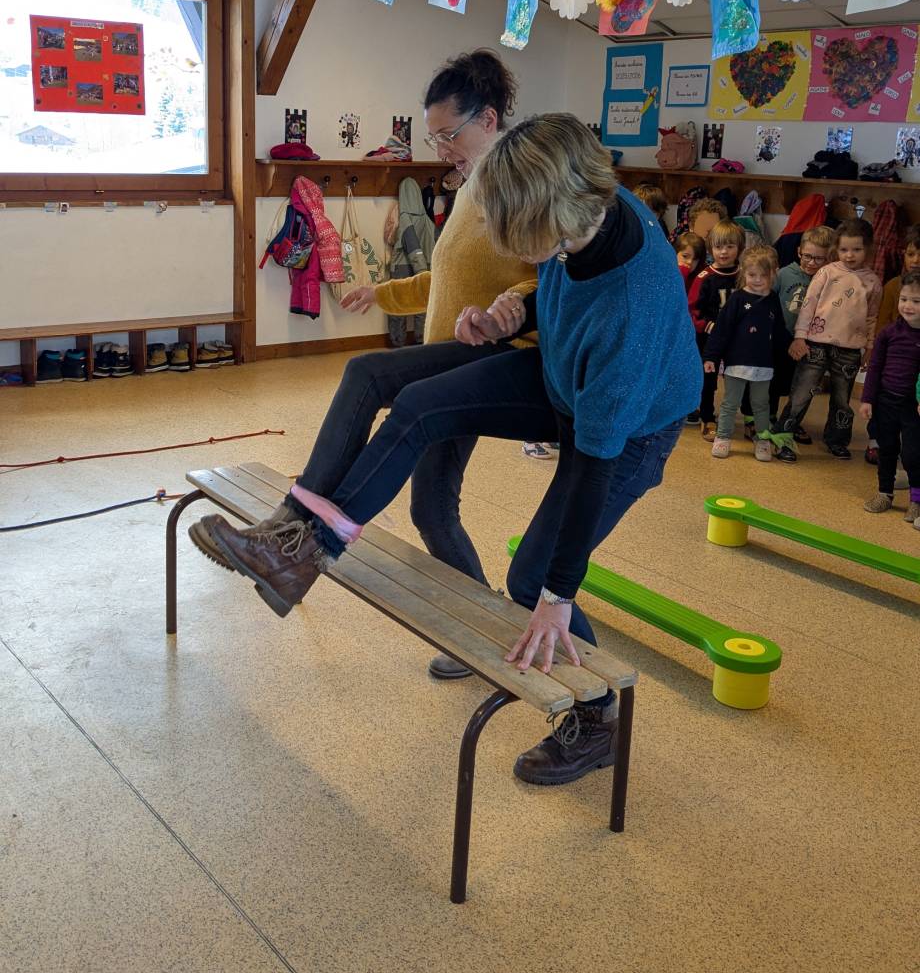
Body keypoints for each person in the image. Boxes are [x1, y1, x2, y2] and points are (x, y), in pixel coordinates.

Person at [191, 115, 701, 786]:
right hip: (563, 373)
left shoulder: (627, 317)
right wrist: (515, 310)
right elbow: (562, 285)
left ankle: (598, 718)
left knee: (532, 582)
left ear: (552, 215)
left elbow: (589, 466)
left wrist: (558, 593)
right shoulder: (588, 207)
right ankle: (300, 548)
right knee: (416, 402)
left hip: (630, 430)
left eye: (506, 229)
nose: (493, 237)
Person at [194, 50, 536, 683]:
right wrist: (382, 294)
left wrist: (514, 308)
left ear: (488, 120)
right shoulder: (471, 188)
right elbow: (448, 281)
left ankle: (294, 535)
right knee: (432, 511)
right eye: (432, 137)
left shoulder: (517, 186)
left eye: (448, 135)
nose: (441, 149)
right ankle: (481, 626)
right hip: (447, 358)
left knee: (369, 380)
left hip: (484, 366)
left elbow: (548, 277)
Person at [778, 219, 882, 460]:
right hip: (815, 344)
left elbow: (871, 318)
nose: (849, 255)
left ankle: (837, 440)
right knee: (801, 393)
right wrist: (800, 337)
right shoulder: (827, 272)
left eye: (857, 249)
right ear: (837, 249)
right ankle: (783, 437)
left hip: (849, 350)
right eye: (844, 249)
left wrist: (869, 347)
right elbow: (808, 306)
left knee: (841, 400)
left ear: (868, 249)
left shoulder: (873, 282)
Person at [704, 245, 787, 461]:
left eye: (763, 275)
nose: (757, 280)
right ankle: (723, 437)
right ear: (743, 271)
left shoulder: (773, 301)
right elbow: (721, 330)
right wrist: (711, 357)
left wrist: (787, 356)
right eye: (752, 275)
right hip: (736, 363)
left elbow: (779, 333)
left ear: (773, 273)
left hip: (763, 365)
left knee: (761, 405)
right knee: (730, 403)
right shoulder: (737, 299)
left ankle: (762, 439)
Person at [859, 268, 920, 523]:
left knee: (913, 454)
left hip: (912, 407)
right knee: (887, 449)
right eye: (904, 299)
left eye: (916, 301)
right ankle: (885, 492)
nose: (908, 306)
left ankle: (916, 500)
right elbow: (875, 367)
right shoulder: (889, 333)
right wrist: (867, 398)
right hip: (885, 400)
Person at [865, 225, 920, 466]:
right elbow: (882, 324)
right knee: (882, 408)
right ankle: (876, 443)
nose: (916, 260)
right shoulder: (893, 286)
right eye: (910, 254)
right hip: (892, 360)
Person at [773, 226, 835, 438]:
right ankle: (769, 418)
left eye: (819, 259)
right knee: (774, 382)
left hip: (810, 344)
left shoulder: (827, 279)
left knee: (801, 387)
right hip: (781, 338)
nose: (811, 263)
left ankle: (791, 421)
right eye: (808, 256)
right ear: (799, 251)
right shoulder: (783, 274)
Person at [687, 221, 746, 442]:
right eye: (719, 246)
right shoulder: (705, 278)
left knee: (738, 378)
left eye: (730, 246)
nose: (724, 252)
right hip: (709, 339)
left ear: (739, 248)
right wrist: (708, 325)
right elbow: (692, 309)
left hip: (737, 339)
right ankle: (707, 416)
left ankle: (742, 416)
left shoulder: (744, 275)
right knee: (708, 379)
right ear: (711, 248)